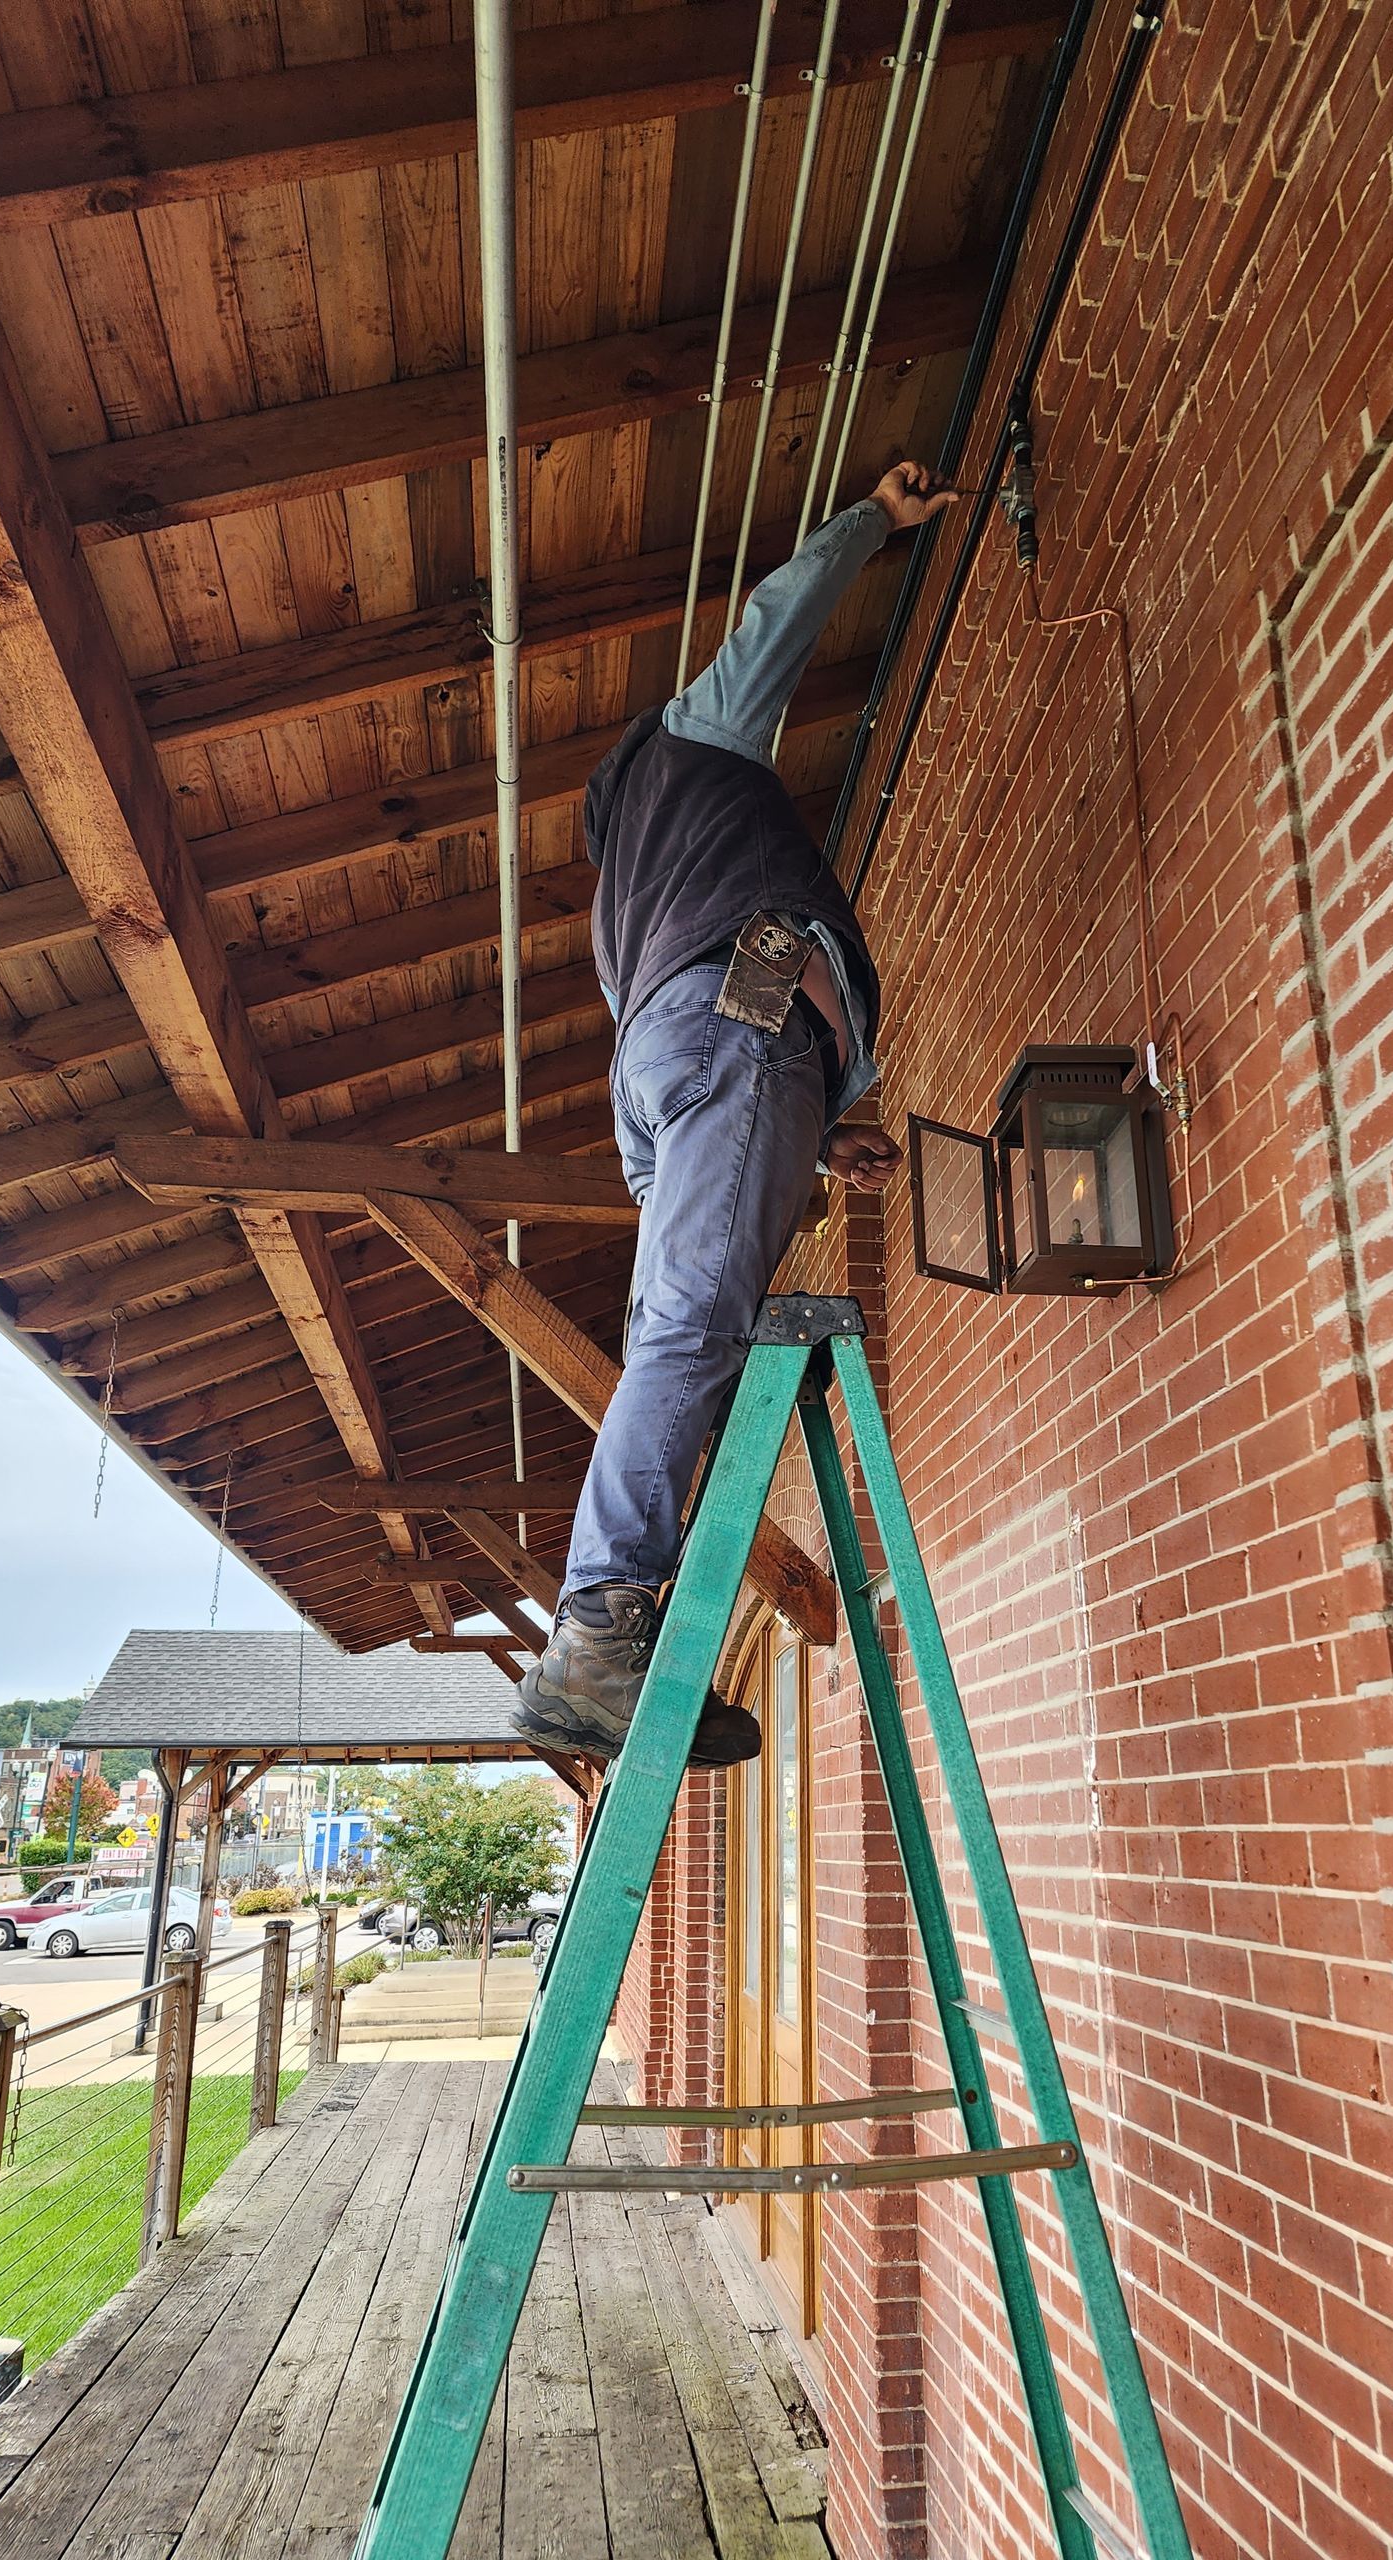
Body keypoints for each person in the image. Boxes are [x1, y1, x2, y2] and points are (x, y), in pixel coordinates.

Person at [514, 462, 957, 1765]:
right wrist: (880, 514)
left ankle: (619, 1623)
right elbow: (775, 619)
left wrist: (817, 1124)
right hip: (734, 1027)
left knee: (682, 1333)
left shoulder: (621, 900)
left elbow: (679, 1049)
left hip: (666, 1071)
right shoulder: (694, 747)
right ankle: (597, 1634)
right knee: (694, 1329)